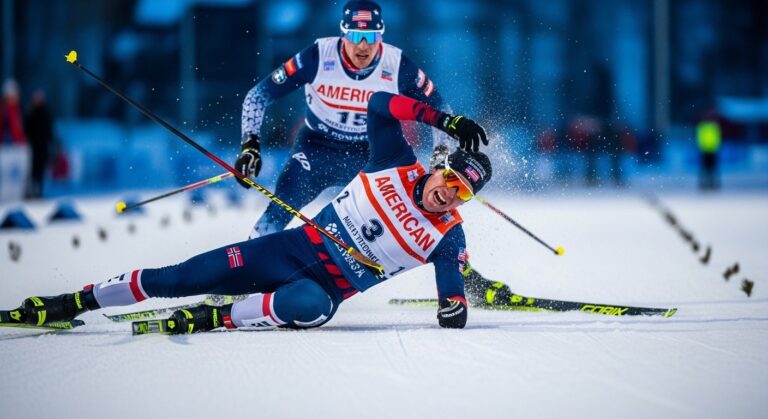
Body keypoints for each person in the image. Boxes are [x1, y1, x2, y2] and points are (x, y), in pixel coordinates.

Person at [3, 92, 492, 333]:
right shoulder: (393, 160)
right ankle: (76, 302)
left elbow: (453, 307)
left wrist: (455, 304)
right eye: (450, 181)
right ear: (439, 166)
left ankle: (217, 317)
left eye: (462, 195)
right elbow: (380, 103)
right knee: (180, 277)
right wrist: (444, 118)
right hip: (288, 250)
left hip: (319, 289)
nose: (449, 195)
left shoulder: (449, 236)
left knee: (309, 306)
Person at [236, 0, 454, 240]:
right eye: (355, 35)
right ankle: (245, 265)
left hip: (370, 155)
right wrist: (250, 146)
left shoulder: (397, 64)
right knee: (279, 210)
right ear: (343, 34)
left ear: (380, 36)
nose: (363, 46)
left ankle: (460, 267)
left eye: (370, 37)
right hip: (316, 149)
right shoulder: (317, 55)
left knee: (416, 210)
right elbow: (258, 95)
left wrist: (440, 157)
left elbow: (440, 108)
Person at [24, 89, 54, 199]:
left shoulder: (46, 112)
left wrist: (51, 142)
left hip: (43, 146)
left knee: (41, 170)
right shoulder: (31, 112)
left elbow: (49, 129)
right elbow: (26, 129)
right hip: (33, 147)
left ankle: (39, 191)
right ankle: (31, 191)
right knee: (32, 171)